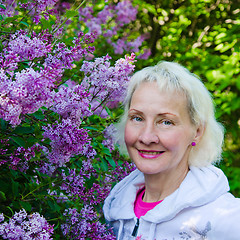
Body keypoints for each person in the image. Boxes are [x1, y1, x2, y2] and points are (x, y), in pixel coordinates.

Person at [103, 61, 240, 240]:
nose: (146, 137)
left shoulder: (225, 218)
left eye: (166, 122)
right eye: (137, 118)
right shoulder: (115, 210)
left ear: (197, 132)